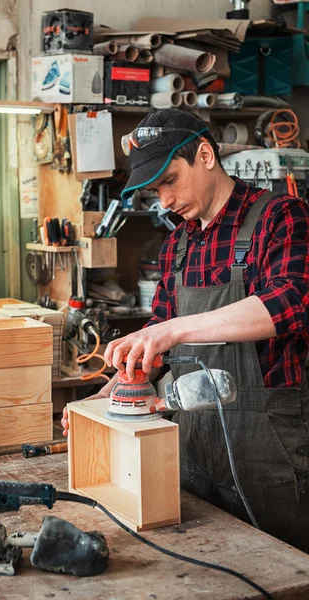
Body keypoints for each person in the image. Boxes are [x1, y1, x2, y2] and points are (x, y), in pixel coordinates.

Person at [62, 108, 309, 552]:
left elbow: (291, 302)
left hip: (269, 448)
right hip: (192, 445)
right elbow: (158, 336)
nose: (165, 201)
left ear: (205, 155)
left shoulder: (281, 216)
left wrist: (175, 330)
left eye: (170, 180)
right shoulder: (179, 242)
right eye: (156, 190)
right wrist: (112, 394)